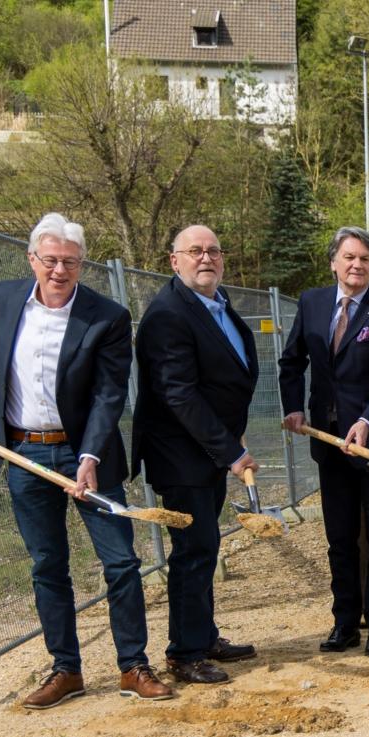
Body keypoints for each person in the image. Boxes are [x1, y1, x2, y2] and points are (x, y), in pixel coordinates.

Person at [0, 213, 174, 708]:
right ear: (32, 259)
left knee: (121, 561)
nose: (60, 270)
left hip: (86, 453)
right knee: (47, 565)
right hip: (24, 452)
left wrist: (89, 456)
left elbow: (108, 395)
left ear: (82, 265)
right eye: (51, 260)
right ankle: (66, 670)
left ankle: (133, 666)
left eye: (71, 262)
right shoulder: (6, 296)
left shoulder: (107, 316)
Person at [131, 224, 259, 685]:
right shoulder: (168, 314)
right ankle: (184, 653)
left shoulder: (216, 306)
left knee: (206, 546)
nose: (206, 258)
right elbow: (179, 394)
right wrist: (231, 451)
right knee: (193, 549)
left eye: (214, 251)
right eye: (195, 251)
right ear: (175, 261)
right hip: (181, 456)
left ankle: (203, 636)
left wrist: (226, 448)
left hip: (207, 454)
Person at [279, 227, 369, 659]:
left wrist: (368, 421)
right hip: (329, 441)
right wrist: (295, 407)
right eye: (350, 258)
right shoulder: (312, 302)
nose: (357, 265)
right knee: (340, 537)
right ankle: (344, 623)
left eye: (366, 259)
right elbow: (292, 361)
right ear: (333, 262)